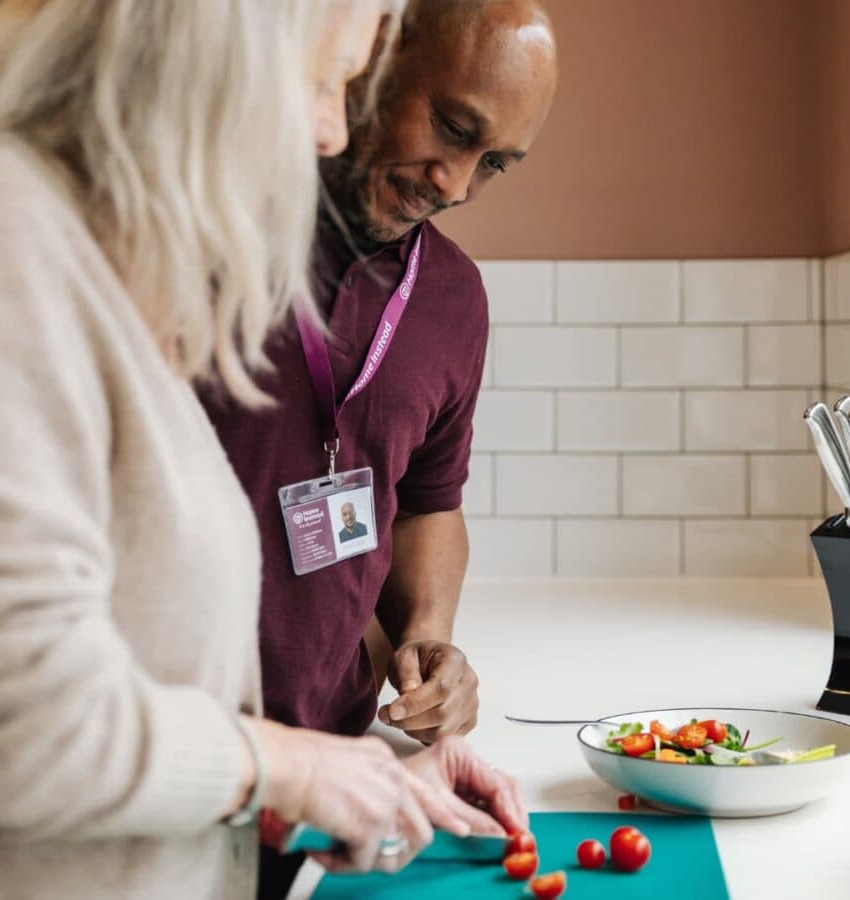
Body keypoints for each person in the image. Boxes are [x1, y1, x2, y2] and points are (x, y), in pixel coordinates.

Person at [0, 2, 525, 899]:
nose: (325, 129)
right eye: (326, 82)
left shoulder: (86, 259)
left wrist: (358, 776)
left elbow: (161, 681)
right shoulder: (15, 239)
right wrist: (293, 768)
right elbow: (22, 721)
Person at [201, 1, 557, 892]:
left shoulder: (454, 301)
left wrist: (429, 639)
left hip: (333, 772)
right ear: (375, 55)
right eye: (452, 126)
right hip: (178, 763)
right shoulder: (195, 232)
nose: (455, 182)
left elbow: (431, 501)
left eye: (494, 163)